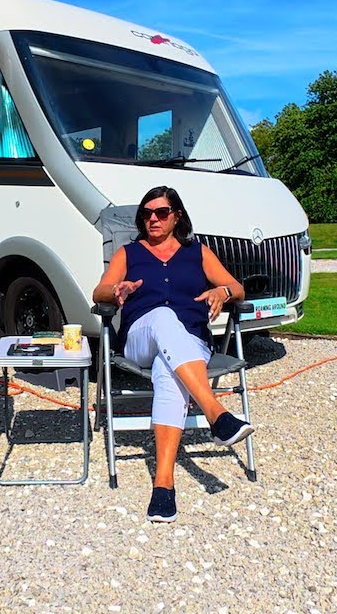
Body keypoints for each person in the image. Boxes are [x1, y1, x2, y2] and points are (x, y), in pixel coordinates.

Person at [92, 185, 254, 523]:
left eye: (161, 212)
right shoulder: (129, 253)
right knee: (164, 317)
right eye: (146, 213)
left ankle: (163, 484)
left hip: (191, 343)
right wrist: (115, 290)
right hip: (140, 339)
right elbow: (100, 290)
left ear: (176, 216)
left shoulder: (198, 253)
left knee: (169, 372)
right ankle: (216, 413)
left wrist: (222, 291)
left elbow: (237, 288)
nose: (152, 218)